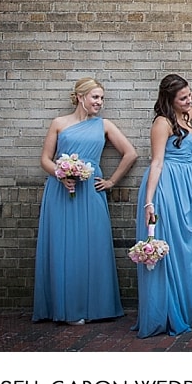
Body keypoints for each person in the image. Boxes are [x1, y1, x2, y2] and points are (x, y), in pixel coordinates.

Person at [33, 77, 138, 324]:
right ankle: (66, 309)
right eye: (95, 97)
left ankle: (94, 308)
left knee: (93, 247)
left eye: (102, 98)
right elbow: (46, 159)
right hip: (61, 193)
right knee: (63, 247)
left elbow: (131, 153)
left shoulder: (104, 125)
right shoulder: (58, 123)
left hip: (91, 192)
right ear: (81, 97)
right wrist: (60, 175)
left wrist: (111, 181)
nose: (99, 102)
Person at [134, 74, 192, 338]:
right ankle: (168, 312)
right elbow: (156, 162)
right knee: (172, 250)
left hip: (189, 186)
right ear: (169, 100)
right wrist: (149, 201)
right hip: (167, 187)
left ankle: (189, 308)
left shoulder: (186, 116)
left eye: (189, 95)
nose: (189, 100)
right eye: (182, 97)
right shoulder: (162, 122)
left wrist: (187, 94)